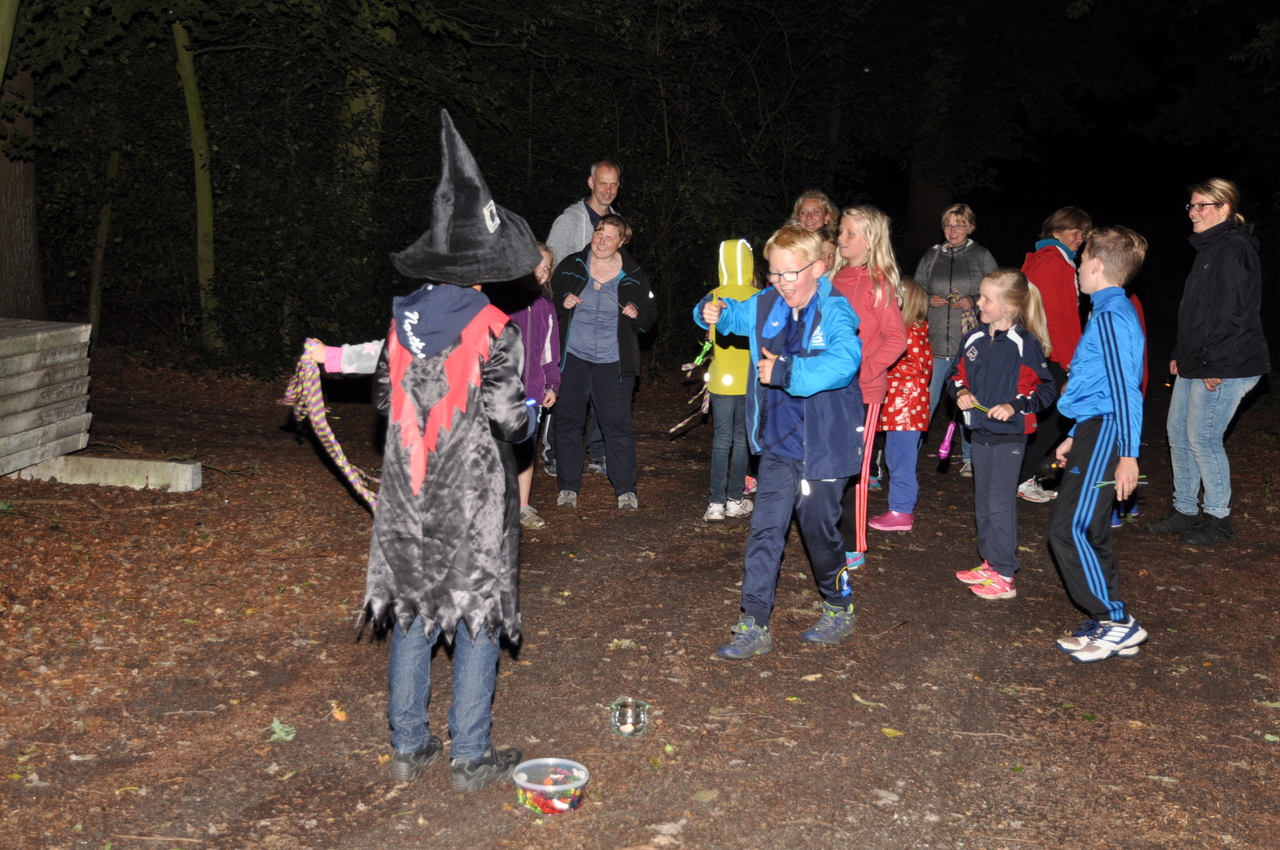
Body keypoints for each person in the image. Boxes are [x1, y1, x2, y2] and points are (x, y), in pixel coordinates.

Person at [307, 111, 534, 791]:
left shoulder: (402, 320)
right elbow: (508, 419)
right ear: (483, 267)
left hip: (408, 492)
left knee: (413, 609)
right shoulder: (497, 328)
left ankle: (408, 745)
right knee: (476, 611)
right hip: (471, 496)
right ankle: (470, 755)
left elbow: (384, 399)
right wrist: (526, 426)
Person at [694, 226, 863, 657]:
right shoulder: (767, 302)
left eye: (791, 274)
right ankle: (753, 623)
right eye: (774, 273)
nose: (782, 283)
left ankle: (839, 605)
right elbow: (732, 314)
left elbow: (846, 360)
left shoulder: (835, 310)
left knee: (818, 533)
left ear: (818, 268)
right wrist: (710, 310)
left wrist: (787, 372)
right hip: (777, 443)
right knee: (765, 531)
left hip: (823, 446)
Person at [1147, 178, 1270, 545]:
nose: (1193, 212)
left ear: (1225, 209)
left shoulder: (1234, 249)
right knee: (1177, 433)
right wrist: (1179, 352)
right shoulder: (1210, 249)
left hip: (1227, 361)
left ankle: (1218, 520)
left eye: (1202, 206)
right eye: (1192, 205)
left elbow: (1232, 314)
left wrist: (1215, 364)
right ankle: (1185, 510)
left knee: (1203, 438)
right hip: (1197, 358)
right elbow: (1197, 312)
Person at [1048, 227, 1150, 662]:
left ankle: (1117, 621)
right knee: (1091, 528)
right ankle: (1109, 619)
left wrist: (1128, 454)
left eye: (1081, 258)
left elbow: (1127, 389)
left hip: (1109, 430)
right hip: (1096, 427)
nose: (1076, 268)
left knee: (1067, 529)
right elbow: (1100, 382)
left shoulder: (1110, 316)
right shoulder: (1107, 310)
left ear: (1097, 264)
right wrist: (1074, 433)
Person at [949, 269, 1056, 600]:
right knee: (982, 502)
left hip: (1010, 435)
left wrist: (1014, 406)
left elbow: (1046, 389)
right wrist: (961, 391)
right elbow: (955, 374)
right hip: (980, 432)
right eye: (980, 296)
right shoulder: (973, 338)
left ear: (1010, 305)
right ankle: (990, 563)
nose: (979, 302)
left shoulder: (1025, 344)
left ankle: (1006, 574)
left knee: (999, 504)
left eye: (987, 298)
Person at [551, 214, 658, 509]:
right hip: (573, 357)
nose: (601, 240)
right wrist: (562, 301)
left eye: (610, 237)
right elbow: (547, 301)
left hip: (614, 361)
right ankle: (568, 487)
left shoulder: (634, 273)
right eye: (599, 233)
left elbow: (651, 315)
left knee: (617, 426)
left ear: (621, 242)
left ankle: (625, 490)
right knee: (568, 423)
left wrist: (637, 314)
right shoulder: (572, 264)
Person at [830, 205, 907, 571]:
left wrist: (864, 370)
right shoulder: (832, 277)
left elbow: (897, 338)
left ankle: (853, 543)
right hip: (829, 390)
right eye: (841, 231)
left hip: (864, 393)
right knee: (828, 464)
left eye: (850, 233)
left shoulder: (879, 283)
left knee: (855, 470)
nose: (841, 238)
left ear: (871, 241)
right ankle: (829, 531)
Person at [543, 160, 621, 476]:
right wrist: (558, 305)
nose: (608, 189)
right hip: (571, 320)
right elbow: (549, 266)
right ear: (591, 183)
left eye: (613, 184)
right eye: (603, 182)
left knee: (604, 387)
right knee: (564, 386)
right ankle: (555, 452)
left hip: (605, 324)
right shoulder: (570, 221)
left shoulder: (617, 222)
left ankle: (598, 452)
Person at [914, 203, 998, 476]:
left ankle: (971, 458)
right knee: (925, 403)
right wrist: (928, 299)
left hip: (970, 346)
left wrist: (973, 300)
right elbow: (915, 291)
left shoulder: (982, 256)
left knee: (969, 402)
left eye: (960, 225)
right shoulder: (932, 256)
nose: (953, 230)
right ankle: (908, 455)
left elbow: (997, 292)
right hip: (934, 344)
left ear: (969, 227)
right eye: (948, 225)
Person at [1017, 206, 1093, 503]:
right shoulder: (1051, 262)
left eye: (1083, 233)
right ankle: (1023, 476)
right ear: (1056, 232)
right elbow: (1053, 318)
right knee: (1056, 415)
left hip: (1049, 352)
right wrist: (1070, 360)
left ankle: (1023, 473)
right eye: (1075, 232)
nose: (1080, 238)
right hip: (1050, 353)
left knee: (1047, 415)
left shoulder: (1055, 260)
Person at [487, 244, 561, 530]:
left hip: (531, 394)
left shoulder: (546, 307)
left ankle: (523, 506)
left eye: (546, 268)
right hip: (498, 393)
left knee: (525, 450)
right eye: (535, 265)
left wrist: (552, 384)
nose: (541, 272)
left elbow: (549, 353)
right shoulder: (498, 301)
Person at [868, 279, 932, 532]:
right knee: (895, 460)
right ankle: (899, 508)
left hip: (907, 409)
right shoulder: (910, 330)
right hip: (900, 408)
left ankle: (902, 511)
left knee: (901, 462)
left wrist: (880, 367)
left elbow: (916, 366)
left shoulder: (910, 332)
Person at [703, 238, 758, 523]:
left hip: (721, 380)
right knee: (741, 440)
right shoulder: (760, 296)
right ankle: (735, 499)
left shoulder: (713, 296)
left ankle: (715, 503)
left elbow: (702, 329)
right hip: (750, 380)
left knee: (721, 439)